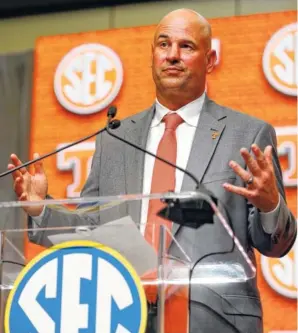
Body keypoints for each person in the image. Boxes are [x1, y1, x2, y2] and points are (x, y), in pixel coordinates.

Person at [8, 8, 296, 333]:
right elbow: (90, 228)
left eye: (186, 46)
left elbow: (275, 244)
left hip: (213, 320)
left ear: (211, 59)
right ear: (152, 55)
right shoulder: (115, 138)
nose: (172, 55)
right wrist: (39, 208)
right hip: (123, 315)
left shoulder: (247, 135)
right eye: (163, 44)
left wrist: (271, 205)